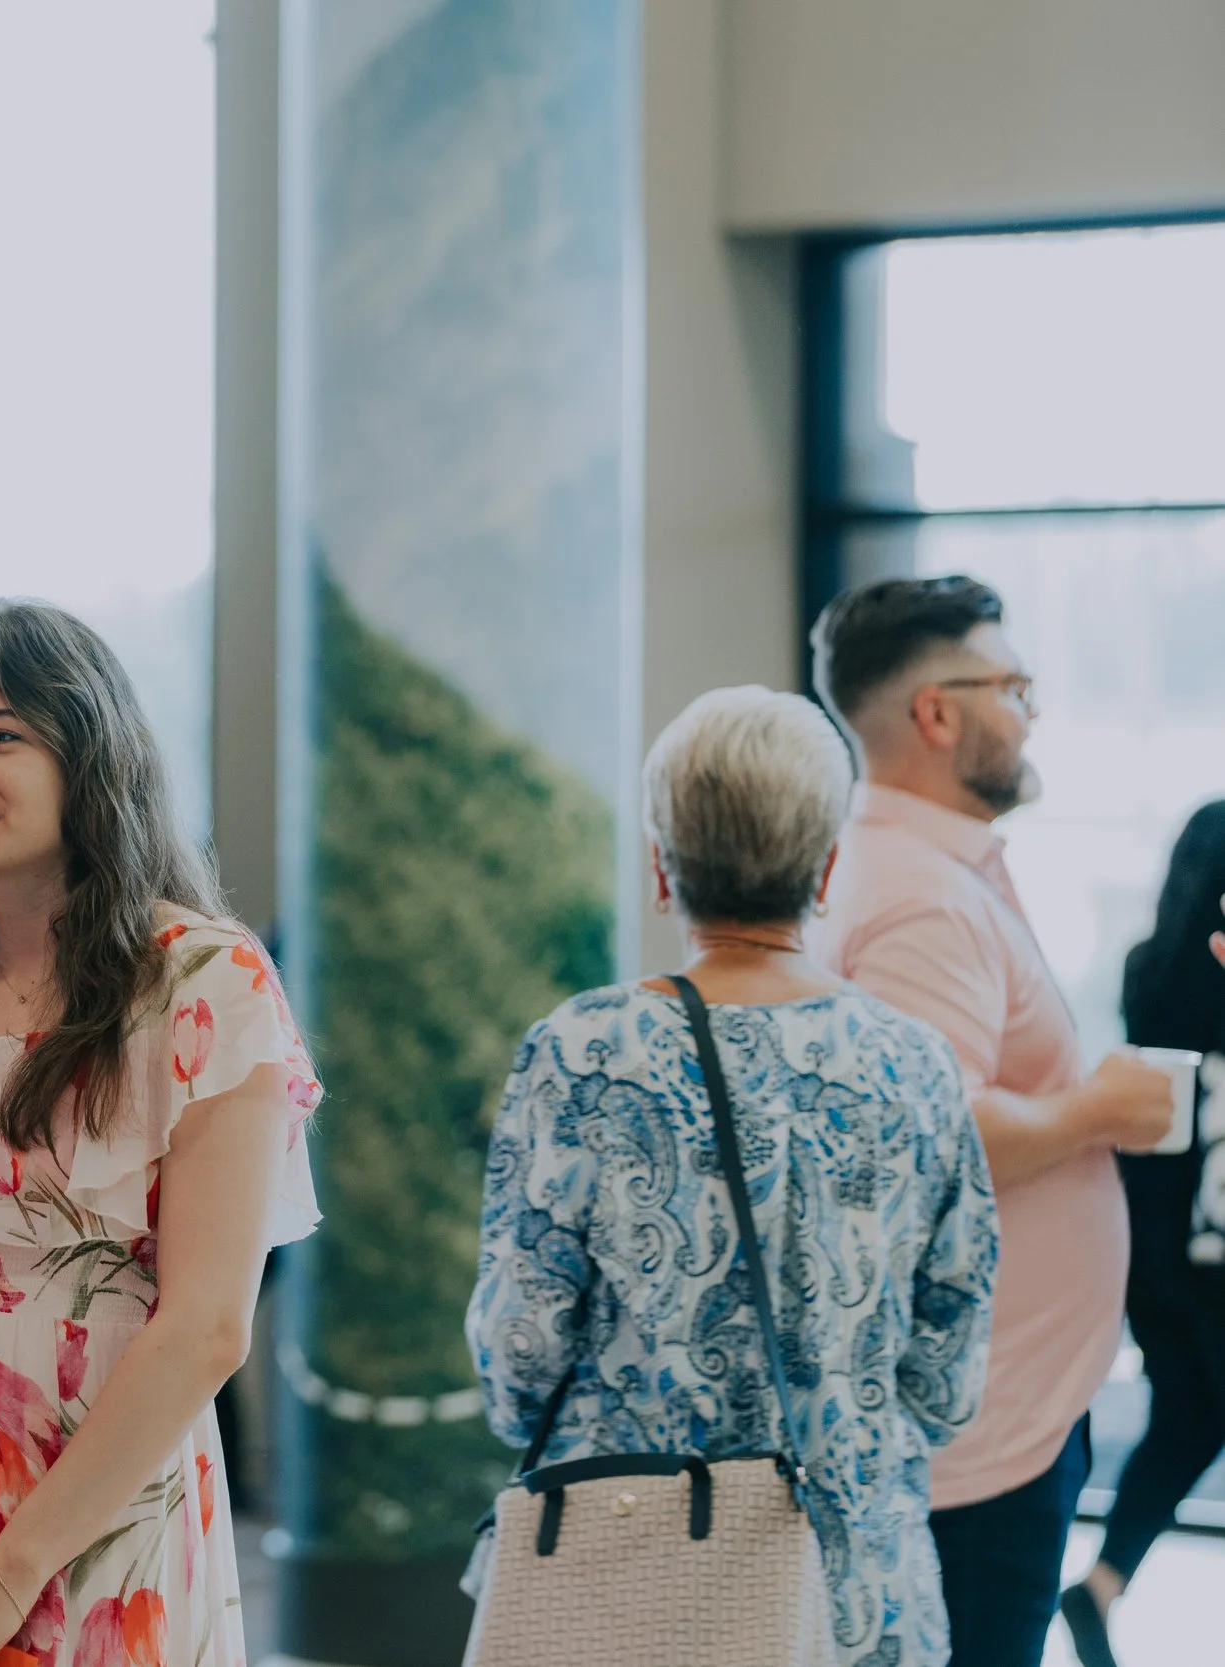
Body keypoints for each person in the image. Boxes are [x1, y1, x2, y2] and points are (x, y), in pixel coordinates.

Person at [0, 597, 323, 1667]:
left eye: (1, 734)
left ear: (88, 748)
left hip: (99, 1532)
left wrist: (9, 1575)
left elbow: (205, 1327)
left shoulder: (201, 982)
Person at [467, 685, 1000, 1667]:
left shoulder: (586, 1047)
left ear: (662, 868)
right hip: (851, 1582)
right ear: (827, 866)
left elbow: (521, 1341)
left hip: (624, 1563)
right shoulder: (913, 1060)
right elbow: (949, 1361)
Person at [807, 576, 1174, 1667]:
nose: (1032, 709)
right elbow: (934, 1134)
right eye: (1012, 684)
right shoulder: (921, 892)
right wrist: (1095, 1107)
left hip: (999, 1416)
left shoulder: (925, 867)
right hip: (981, 1438)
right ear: (937, 713)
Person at [1060, 802, 1225, 1667]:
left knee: (1189, 1417)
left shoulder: (1145, 972)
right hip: (1214, 1249)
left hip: (1148, 1246)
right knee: (1194, 1417)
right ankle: (1100, 1585)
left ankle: (1099, 1586)